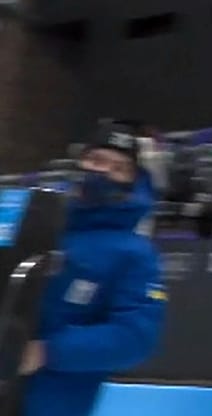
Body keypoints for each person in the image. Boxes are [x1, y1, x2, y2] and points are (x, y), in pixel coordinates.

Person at [22, 125, 167, 416]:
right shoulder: (34, 221)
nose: (104, 172)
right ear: (81, 162)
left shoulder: (135, 254)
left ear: (133, 181)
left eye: (119, 168)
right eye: (97, 160)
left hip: (48, 403)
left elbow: (133, 338)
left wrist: (47, 352)